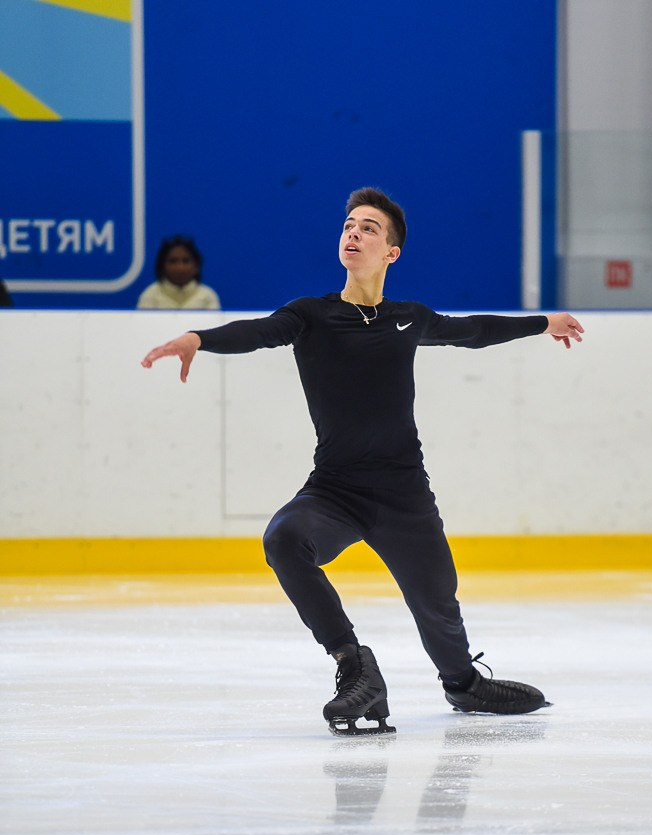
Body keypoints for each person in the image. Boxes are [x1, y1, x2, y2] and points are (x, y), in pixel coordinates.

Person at [141, 187, 584, 736]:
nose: (354, 233)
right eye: (349, 225)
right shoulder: (310, 315)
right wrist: (197, 337)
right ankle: (355, 666)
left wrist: (543, 323)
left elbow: (473, 331)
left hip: (404, 494)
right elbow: (255, 333)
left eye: (369, 228)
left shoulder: (411, 318)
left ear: (391, 252)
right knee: (284, 539)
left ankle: (465, 685)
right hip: (336, 490)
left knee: (438, 605)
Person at [137, 236, 220, 310]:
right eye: (173, 261)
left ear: (196, 266)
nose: (180, 267)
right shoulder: (150, 295)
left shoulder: (207, 296)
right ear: (162, 266)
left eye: (186, 261)